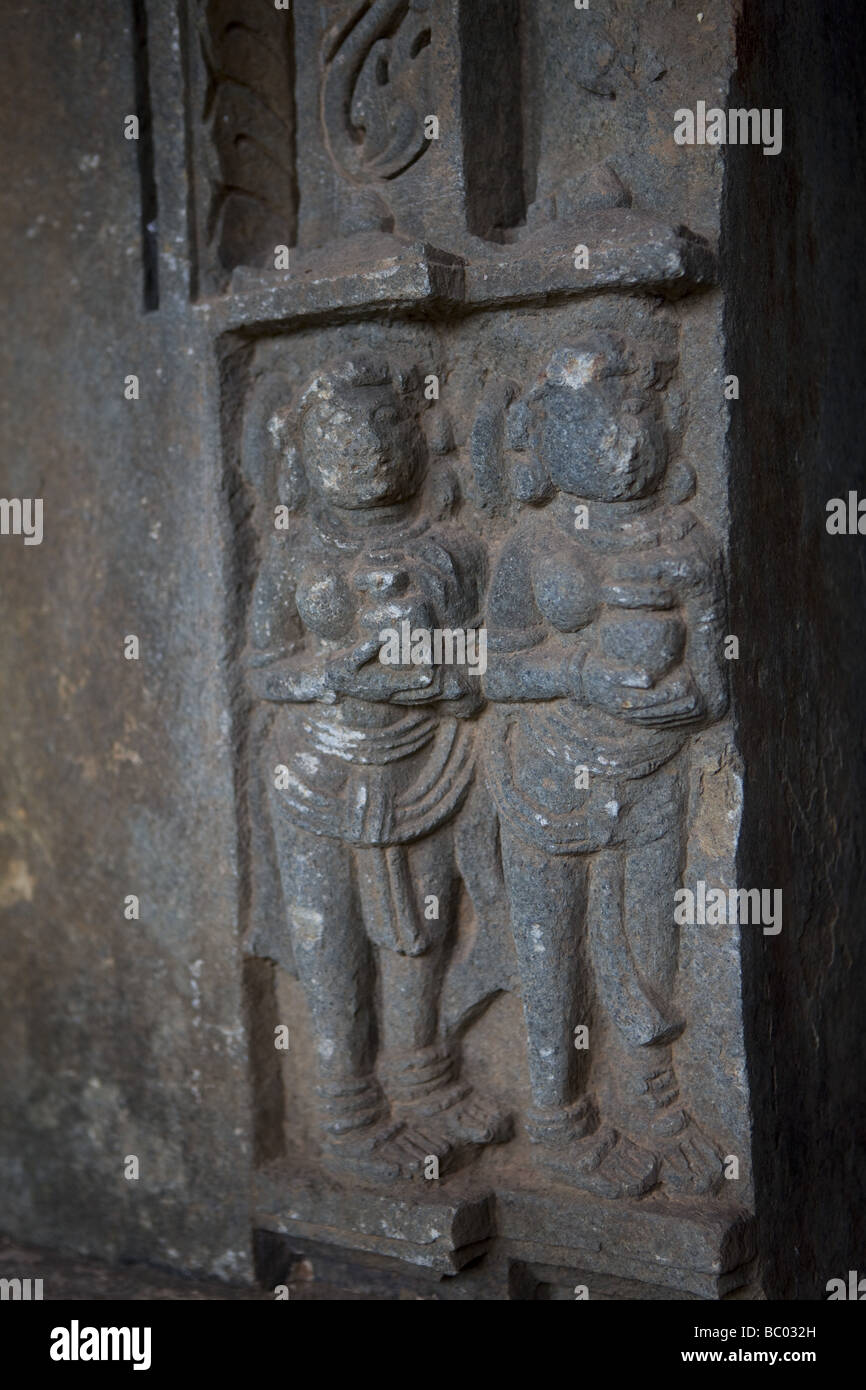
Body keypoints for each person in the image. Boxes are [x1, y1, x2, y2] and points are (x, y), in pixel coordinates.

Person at [246, 355, 510, 1181]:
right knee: (331, 943)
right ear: (300, 452)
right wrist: (331, 673)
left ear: (421, 438)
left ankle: (420, 1073)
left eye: (381, 426)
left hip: (424, 768)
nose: (359, 448)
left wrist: (443, 681)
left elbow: (476, 665)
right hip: (314, 773)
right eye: (333, 431)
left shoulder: (451, 553)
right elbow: (262, 667)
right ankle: (345, 1107)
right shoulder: (297, 555)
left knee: (421, 931)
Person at [483, 332, 728, 1197]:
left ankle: (651, 1098)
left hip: (655, 772)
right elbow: (497, 668)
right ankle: (556, 1117)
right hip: (548, 777)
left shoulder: (688, 542)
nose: (621, 441)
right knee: (551, 954)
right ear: (545, 437)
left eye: (635, 413)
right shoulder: (533, 546)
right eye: (592, 421)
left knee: (649, 945)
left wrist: (691, 699)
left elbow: (714, 677)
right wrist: (579, 674)